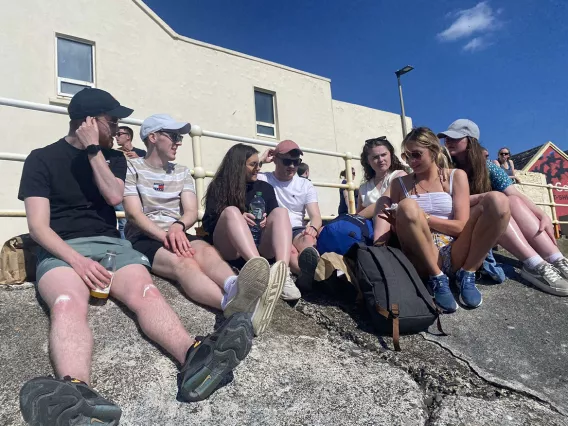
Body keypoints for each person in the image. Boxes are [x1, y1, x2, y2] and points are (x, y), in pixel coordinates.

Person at [17, 89, 254, 425]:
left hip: (112, 246)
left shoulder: (110, 158)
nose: (117, 127)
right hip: (63, 247)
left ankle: (193, 358)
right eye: (112, 120)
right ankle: (76, 394)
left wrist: (92, 150)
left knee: (147, 293)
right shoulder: (40, 159)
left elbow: (114, 195)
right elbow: (39, 227)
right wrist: (77, 261)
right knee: (68, 302)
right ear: (88, 120)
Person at [123, 116, 278, 336]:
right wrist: (164, 236)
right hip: (144, 237)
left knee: (207, 251)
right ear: (153, 137)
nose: (179, 142)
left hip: (177, 231)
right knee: (184, 264)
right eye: (174, 136)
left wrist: (178, 226)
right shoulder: (132, 167)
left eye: (180, 137)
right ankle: (230, 305)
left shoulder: (182, 172)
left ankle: (237, 286)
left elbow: (191, 212)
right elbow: (134, 214)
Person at [374, 127, 511, 313]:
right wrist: (399, 223)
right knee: (407, 206)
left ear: (434, 150)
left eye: (417, 154)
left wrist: (424, 219)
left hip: (456, 250)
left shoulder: (455, 176)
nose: (412, 161)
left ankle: (467, 273)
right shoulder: (399, 184)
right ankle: (436, 278)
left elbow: (461, 227)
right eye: (407, 156)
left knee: (499, 200)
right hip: (422, 255)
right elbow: (397, 224)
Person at [440, 119, 568, 296]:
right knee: (495, 204)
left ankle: (557, 260)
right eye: (446, 138)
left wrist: (542, 214)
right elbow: (446, 200)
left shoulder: (487, 167)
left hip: (485, 223)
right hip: (463, 223)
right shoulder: (443, 167)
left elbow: (515, 194)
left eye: (455, 138)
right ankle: (533, 264)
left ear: (470, 141)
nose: (448, 141)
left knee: (510, 201)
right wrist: (484, 197)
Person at [202, 143, 290, 306]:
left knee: (281, 212)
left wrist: (266, 220)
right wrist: (237, 218)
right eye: (253, 164)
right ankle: (259, 271)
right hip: (231, 251)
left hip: (260, 245)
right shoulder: (219, 187)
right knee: (231, 212)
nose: (258, 168)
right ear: (238, 166)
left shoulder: (266, 188)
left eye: (259, 164)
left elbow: (275, 219)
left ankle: (282, 273)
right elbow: (208, 225)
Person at [258, 140, 321, 298]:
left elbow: (315, 216)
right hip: (275, 229)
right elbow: (237, 174)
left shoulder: (305, 184)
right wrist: (260, 159)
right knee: (291, 251)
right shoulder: (263, 178)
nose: (292, 166)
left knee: (307, 241)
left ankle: (306, 275)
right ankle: (312, 276)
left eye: (296, 162)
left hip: (297, 230)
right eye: (287, 161)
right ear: (275, 159)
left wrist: (313, 228)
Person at [357, 137, 407, 219]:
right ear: (367, 161)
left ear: (390, 155)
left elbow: (383, 203)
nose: (381, 160)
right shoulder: (363, 188)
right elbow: (359, 214)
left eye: (384, 155)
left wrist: (354, 218)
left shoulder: (399, 176)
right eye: (375, 157)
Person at [114, 126, 146, 238]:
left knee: (129, 221)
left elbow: (147, 171)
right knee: (120, 221)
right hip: (118, 190)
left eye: (119, 134)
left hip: (134, 192)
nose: (116, 136)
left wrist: (138, 159)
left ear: (128, 136)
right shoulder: (115, 153)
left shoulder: (141, 153)